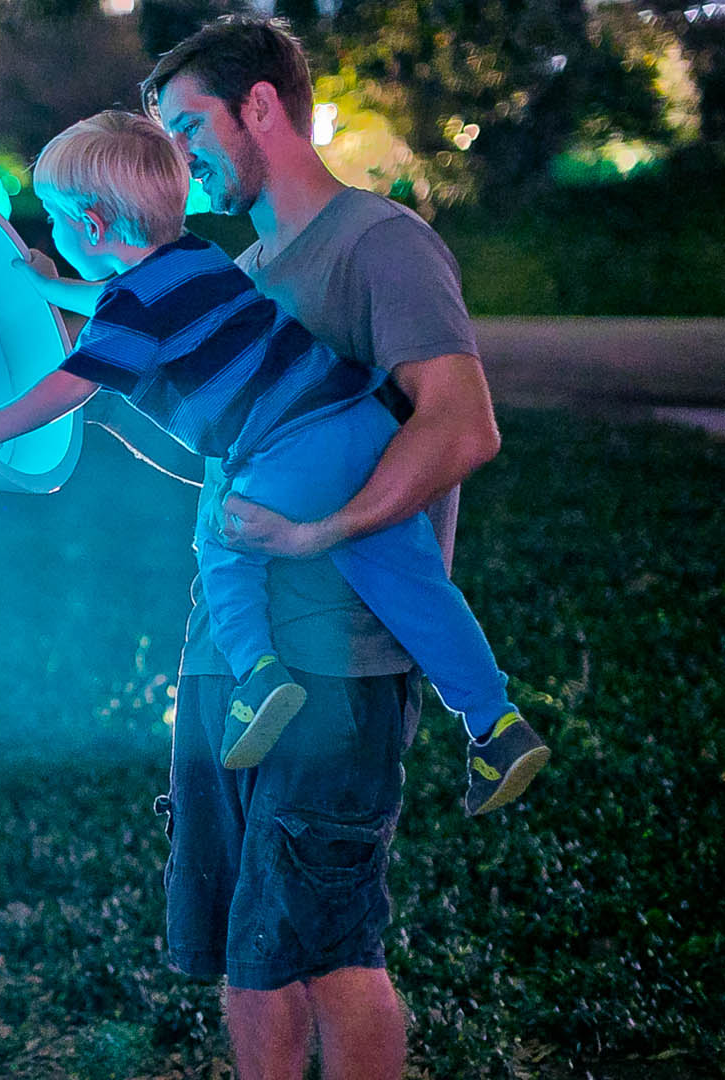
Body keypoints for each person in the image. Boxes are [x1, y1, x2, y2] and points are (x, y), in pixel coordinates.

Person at [0, 109, 547, 804]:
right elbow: (114, 297)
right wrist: (44, 285)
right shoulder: (196, 259)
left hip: (283, 452)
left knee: (226, 545)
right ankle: (495, 723)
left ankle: (258, 675)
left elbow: (71, 382)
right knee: (417, 590)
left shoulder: (127, 314)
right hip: (358, 420)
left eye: (54, 218)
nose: (53, 231)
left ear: (92, 228)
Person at [146, 16, 527, 1078]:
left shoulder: (379, 244)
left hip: (337, 669)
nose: (179, 159)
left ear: (261, 106)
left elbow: (461, 426)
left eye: (190, 128)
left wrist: (323, 531)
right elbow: (235, 451)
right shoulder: (243, 269)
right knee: (246, 960)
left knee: (325, 956)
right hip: (229, 662)